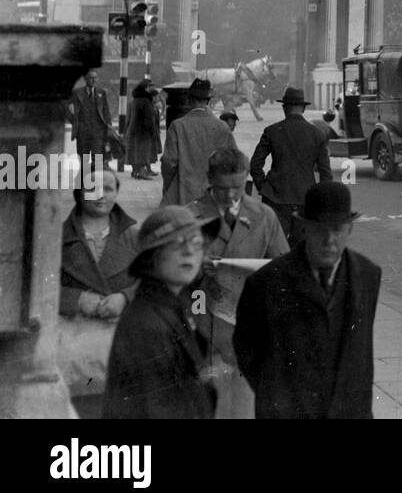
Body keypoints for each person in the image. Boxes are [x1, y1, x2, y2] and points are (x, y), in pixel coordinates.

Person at [233, 182, 381, 419]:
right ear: (304, 229)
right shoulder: (265, 283)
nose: (329, 239)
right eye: (320, 229)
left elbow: (360, 354)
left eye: (338, 229)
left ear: (349, 229)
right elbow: (247, 351)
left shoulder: (367, 275)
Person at [189, 147, 289, 420]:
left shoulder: (264, 216)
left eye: (238, 187)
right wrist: (195, 267)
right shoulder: (189, 217)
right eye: (222, 188)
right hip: (202, 324)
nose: (231, 195)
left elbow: (285, 269)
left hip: (249, 326)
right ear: (209, 180)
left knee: (244, 407)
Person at [102, 205, 216, 419]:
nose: (189, 251)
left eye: (196, 242)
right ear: (151, 258)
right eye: (176, 243)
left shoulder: (174, 302)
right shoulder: (148, 325)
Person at [58, 166, 139, 417]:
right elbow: (39, 285)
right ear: (79, 193)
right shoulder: (56, 236)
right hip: (73, 332)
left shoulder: (134, 235)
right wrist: (76, 299)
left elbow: (154, 279)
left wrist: (125, 298)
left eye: (109, 188)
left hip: (122, 329)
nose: (101, 195)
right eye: (93, 188)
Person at [250, 86, 333, 248]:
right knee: (301, 250)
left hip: (275, 198)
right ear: (303, 108)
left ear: (284, 108)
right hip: (305, 199)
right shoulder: (317, 134)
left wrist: (264, 187)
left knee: (274, 248)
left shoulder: (272, 131)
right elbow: (325, 174)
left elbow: (255, 165)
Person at [162, 77, 238, 206]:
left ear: (189, 99)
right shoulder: (222, 127)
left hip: (184, 195)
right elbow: (234, 161)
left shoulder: (178, 126)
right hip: (214, 197)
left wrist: (168, 188)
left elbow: (169, 162)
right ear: (208, 101)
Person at [71, 69, 119, 171]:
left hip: (98, 132)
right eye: (91, 78)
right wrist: (74, 122)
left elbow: (106, 112)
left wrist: (109, 126)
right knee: (83, 158)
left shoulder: (101, 93)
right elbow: (68, 108)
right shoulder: (77, 93)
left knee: (97, 158)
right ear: (85, 79)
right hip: (83, 132)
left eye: (95, 78)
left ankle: (95, 180)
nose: (93, 80)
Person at [124, 79, 161, 180]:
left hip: (134, 130)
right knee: (143, 152)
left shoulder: (136, 100)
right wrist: (152, 131)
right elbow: (148, 119)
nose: (151, 90)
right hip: (143, 132)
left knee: (136, 152)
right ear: (145, 89)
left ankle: (137, 172)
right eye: (149, 88)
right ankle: (141, 172)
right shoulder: (146, 101)